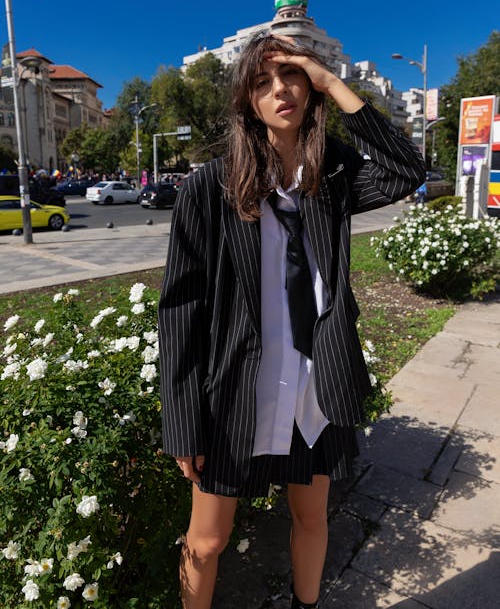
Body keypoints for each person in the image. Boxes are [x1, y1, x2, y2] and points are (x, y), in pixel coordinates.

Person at [158, 33, 426, 609]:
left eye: (292, 76)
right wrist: (181, 420)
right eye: (262, 82)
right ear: (246, 101)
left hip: (312, 387)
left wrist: (331, 80)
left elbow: (408, 169)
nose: (279, 90)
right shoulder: (210, 187)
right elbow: (180, 307)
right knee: (206, 542)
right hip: (234, 394)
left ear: (309, 87)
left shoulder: (332, 177)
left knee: (311, 519)